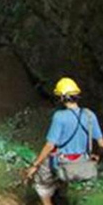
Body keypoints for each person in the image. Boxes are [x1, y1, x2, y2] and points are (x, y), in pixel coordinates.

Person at [25, 77, 103, 205]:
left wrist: (35, 165)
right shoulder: (89, 115)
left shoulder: (59, 117)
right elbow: (101, 143)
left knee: (41, 183)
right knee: (61, 178)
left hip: (61, 162)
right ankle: (60, 194)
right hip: (82, 162)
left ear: (61, 98)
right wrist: (97, 157)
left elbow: (50, 145)